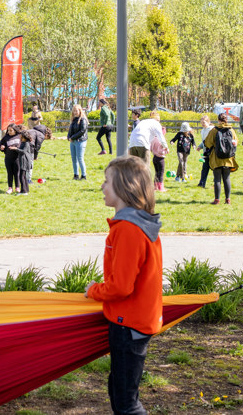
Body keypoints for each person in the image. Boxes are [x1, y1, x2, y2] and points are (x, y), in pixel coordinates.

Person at [85, 155, 162, 415]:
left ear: (123, 187)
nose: (102, 187)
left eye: (107, 181)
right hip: (134, 321)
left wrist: (93, 290)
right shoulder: (137, 223)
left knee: (126, 403)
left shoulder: (128, 229)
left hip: (128, 325)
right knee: (120, 392)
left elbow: (121, 287)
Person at [203, 112, 239, 205]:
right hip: (228, 158)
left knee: (217, 179)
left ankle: (217, 200)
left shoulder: (214, 130)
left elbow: (208, 143)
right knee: (227, 179)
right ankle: (228, 199)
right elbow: (236, 142)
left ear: (218, 120)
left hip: (217, 158)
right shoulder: (231, 130)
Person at [67, 104, 89, 180]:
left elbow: (82, 131)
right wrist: (69, 136)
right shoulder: (73, 119)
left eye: (76, 110)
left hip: (80, 141)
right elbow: (70, 130)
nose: (75, 112)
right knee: (74, 159)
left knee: (80, 158)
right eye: (74, 111)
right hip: (73, 141)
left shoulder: (83, 119)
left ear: (80, 111)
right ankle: (76, 175)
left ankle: (83, 175)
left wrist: (72, 137)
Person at [0, 123, 22, 193]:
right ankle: (10, 188)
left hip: (17, 158)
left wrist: (16, 148)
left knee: (17, 173)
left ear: (15, 130)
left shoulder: (19, 136)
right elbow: (1, 145)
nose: (9, 132)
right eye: (8, 130)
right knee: (9, 173)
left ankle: (17, 187)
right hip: (8, 158)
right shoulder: (6, 137)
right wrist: (2, 147)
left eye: (11, 130)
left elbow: (22, 146)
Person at [195, 115, 214, 189]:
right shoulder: (202, 130)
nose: (203, 124)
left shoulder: (212, 130)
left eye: (204, 122)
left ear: (208, 122)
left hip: (212, 152)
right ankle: (202, 183)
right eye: (201, 122)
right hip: (205, 151)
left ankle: (216, 184)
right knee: (204, 168)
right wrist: (200, 146)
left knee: (214, 169)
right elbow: (204, 141)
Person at [16, 129, 34, 195]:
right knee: (23, 176)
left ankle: (24, 191)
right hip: (23, 161)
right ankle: (26, 189)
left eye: (21, 137)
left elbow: (23, 151)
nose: (20, 138)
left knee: (21, 176)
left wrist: (16, 149)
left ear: (24, 137)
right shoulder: (23, 143)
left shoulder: (26, 143)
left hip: (25, 161)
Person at [150, 127, 169, 192]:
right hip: (160, 158)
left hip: (154, 157)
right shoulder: (161, 140)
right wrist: (165, 151)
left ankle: (155, 187)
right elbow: (160, 151)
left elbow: (150, 148)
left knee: (156, 172)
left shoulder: (153, 139)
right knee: (161, 172)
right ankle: (161, 187)